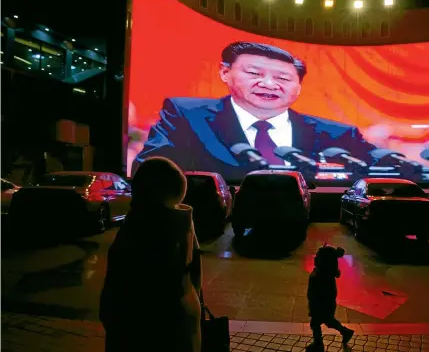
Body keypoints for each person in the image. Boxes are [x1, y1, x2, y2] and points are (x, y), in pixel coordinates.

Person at [131, 41, 407, 181]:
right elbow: (151, 168)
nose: (268, 84)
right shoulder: (185, 115)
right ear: (225, 73)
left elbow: (383, 167)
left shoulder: (335, 133)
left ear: (298, 87)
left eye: (283, 79)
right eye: (254, 73)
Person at [99, 157, 202, 352]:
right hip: (183, 328)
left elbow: (117, 292)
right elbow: (195, 279)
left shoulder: (140, 230)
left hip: (139, 335)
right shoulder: (184, 226)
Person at [306, 243, 354, 352]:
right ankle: (345, 332)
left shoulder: (320, 276)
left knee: (316, 323)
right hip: (325, 304)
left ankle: (318, 344)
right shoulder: (325, 273)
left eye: (317, 257)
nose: (315, 258)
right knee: (329, 321)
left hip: (320, 304)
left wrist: (313, 303)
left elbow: (315, 293)